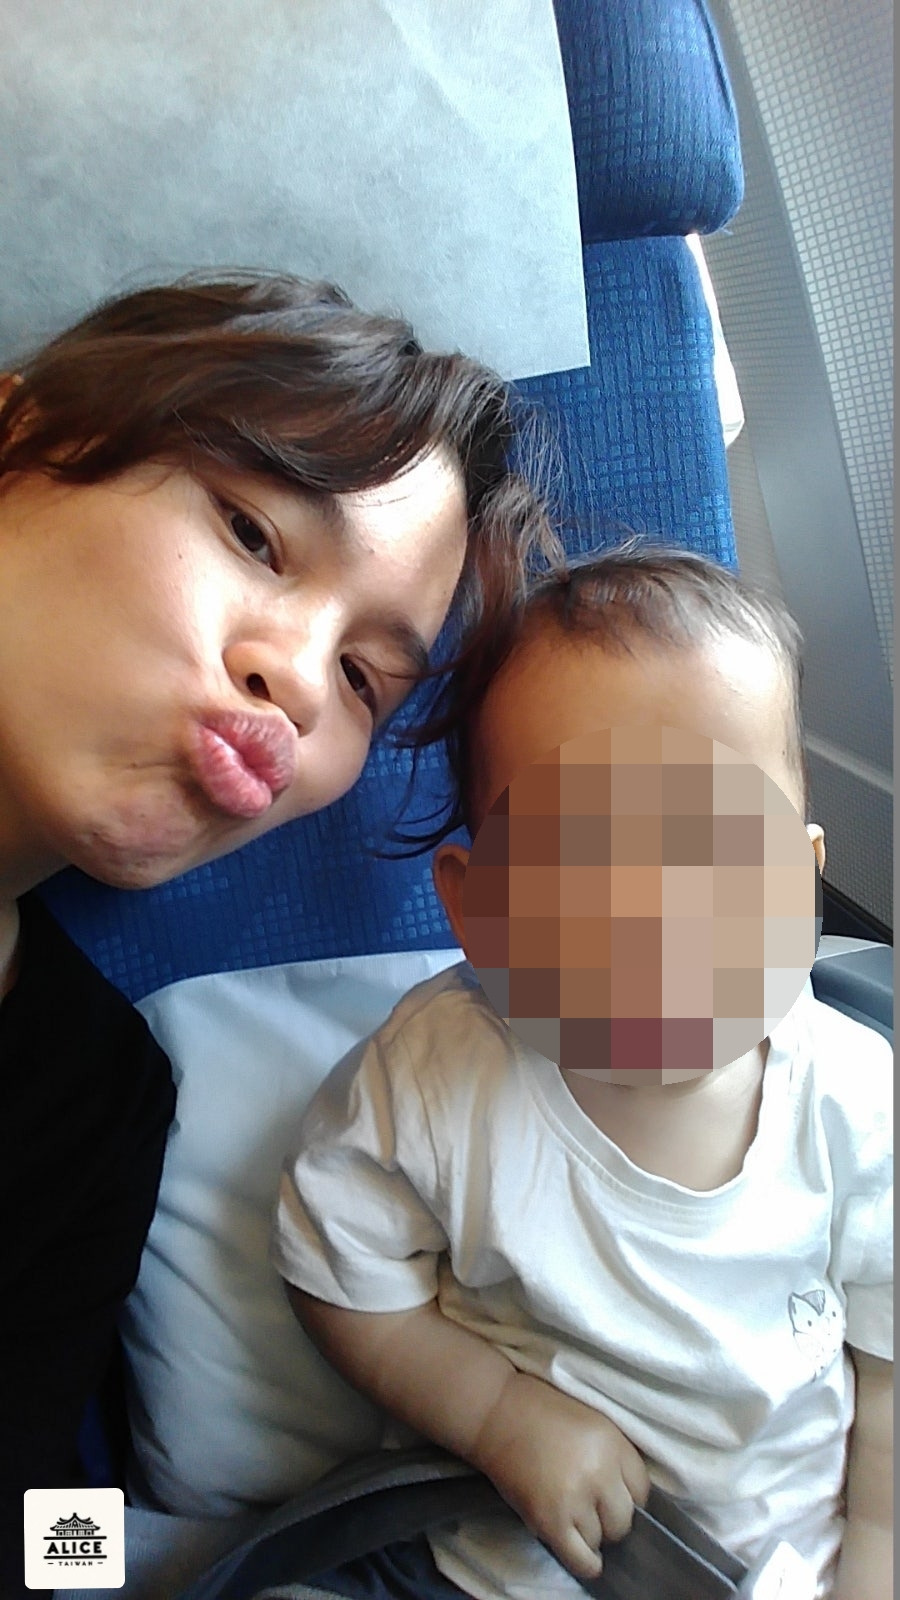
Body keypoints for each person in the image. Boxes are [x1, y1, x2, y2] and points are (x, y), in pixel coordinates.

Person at [0, 271, 557, 1598]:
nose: (302, 680)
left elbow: (35, 1521)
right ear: (19, 434)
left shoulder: (94, 1099)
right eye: (254, 534)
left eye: (365, 678)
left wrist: (155, 1568)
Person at [274, 544, 893, 1600]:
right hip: (490, 1565)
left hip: (782, 1566)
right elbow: (335, 1266)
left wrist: (875, 1557)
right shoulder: (439, 1076)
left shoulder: (853, 1098)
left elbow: (885, 1370)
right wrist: (496, 1414)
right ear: (480, 910)